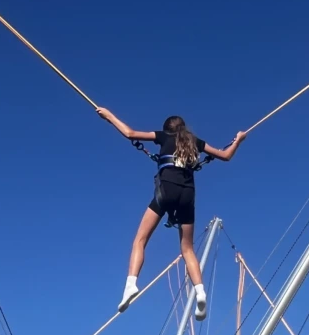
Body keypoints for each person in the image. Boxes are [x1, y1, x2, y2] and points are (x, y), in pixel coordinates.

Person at [96, 109, 246, 317]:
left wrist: (109, 117)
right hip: (188, 194)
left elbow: (130, 133)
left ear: (167, 129)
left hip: (167, 190)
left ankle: (131, 284)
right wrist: (238, 140)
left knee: (140, 240)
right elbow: (226, 156)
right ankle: (200, 291)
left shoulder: (163, 136)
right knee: (187, 249)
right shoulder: (196, 142)